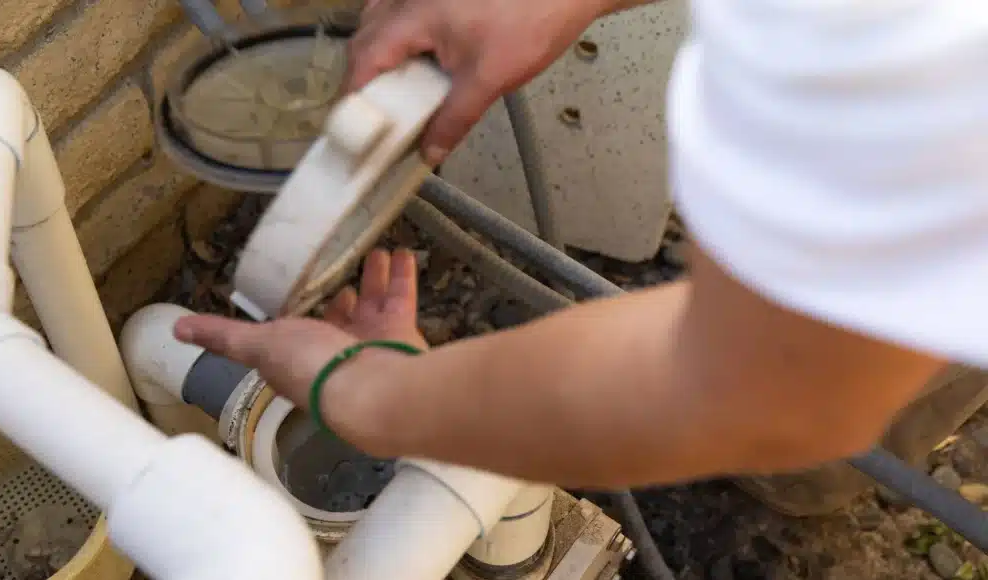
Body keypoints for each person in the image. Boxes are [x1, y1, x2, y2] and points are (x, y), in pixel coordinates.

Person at [173, 0, 986, 489]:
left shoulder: (908, 44)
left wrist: (371, 396)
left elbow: (776, 389)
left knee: (858, 404)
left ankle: (809, 494)